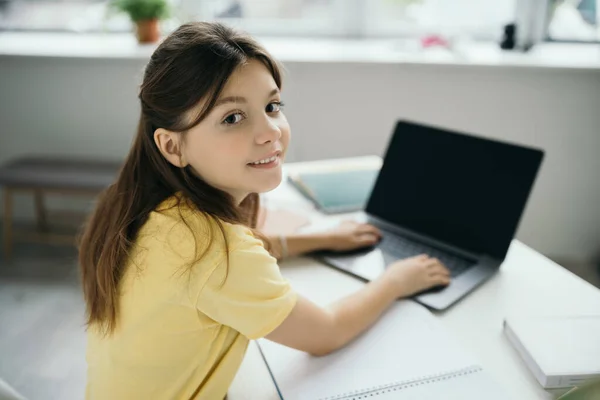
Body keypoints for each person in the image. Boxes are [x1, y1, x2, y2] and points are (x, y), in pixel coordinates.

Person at [78, 21, 451, 399]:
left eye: (272, 106)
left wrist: (317, 239)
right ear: (173, 147)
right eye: (232, 118)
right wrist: (396, 281)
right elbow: (325, 333)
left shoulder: (147, 206)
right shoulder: (214, 250)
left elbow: (226, 260)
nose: (270, 131)